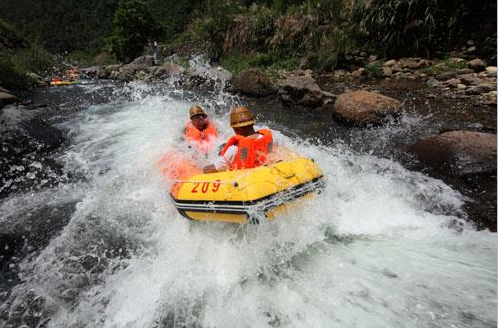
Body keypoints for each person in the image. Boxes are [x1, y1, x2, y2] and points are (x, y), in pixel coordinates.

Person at [203, 106, 280, 173]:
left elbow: (215, 168)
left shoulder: (234, 149)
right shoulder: (270, 138)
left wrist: (203, 169)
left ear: (236, 129)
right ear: (252, 124)